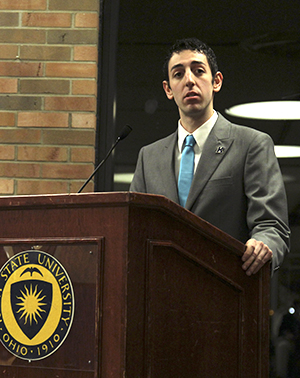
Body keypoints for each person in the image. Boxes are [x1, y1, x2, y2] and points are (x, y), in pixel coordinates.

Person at [129, 37, 290, 276]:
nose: (189, 81)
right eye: (178, 74)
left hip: (226, 287)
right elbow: (134, 229)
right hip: (161, 294)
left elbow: (272, 227)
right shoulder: (149, 157)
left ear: (216, 82)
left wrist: (264, 245)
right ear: (168, 89)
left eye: (198, 71)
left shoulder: (251, 145)